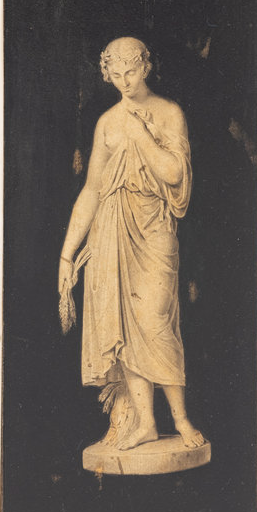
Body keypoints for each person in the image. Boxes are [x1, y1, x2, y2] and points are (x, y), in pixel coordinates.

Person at [59, 37, 205, 451]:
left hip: (154, 227)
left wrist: (141, 135)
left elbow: (174, 174)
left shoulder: (169, 112)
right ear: (106, 74)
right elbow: (91, 190)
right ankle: (146, 423)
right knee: (123, 327)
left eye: (132, 72)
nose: (124, 82)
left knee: (156, 321)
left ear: (146, 67)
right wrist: (67, 254)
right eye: (116, 74)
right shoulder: (106, 122)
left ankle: (181, 418)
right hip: (112, 230)